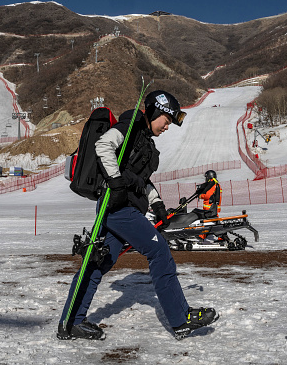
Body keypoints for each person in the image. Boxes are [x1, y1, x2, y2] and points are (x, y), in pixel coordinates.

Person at [57, 90, 219, 341]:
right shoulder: (130, 125)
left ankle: (72, 322)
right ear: (155, 111)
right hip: (119, 207)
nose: (167, 127)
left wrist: (157, 205)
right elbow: (103, 146)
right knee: (159, 252)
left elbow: (141, 181)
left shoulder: (144, 141)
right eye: (166, 120)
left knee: (97, 263)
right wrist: (116, 184)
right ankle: (180, 319)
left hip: (120, 208)